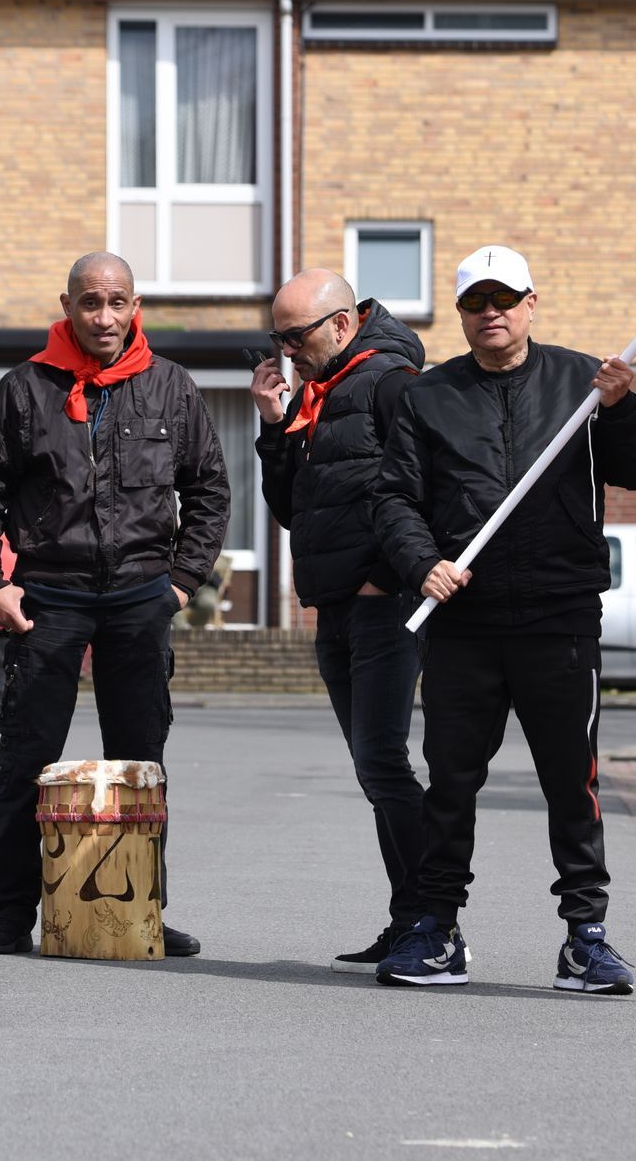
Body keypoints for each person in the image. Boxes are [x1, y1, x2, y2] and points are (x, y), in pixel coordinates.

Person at [372, 244, 636, 994]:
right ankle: (437, 931)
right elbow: (395, 498)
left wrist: (623, 406)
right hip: (465, 622)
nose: (491, 312)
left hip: (560, 618)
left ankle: (586, 938)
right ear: (463, 313)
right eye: (476, 302)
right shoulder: (426, 396)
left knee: (573, 782)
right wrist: (420, 563)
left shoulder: (582, 382)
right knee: (451, 783)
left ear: (533, 303)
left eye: (506, 298)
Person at [0, 252, 229, 958]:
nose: (103, 317)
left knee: (141, 763)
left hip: (142, 593)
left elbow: (208, 492)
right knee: (27, 757)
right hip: (48, 593)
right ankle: (9, 914)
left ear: (135, 305)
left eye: (116, 303)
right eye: (89, 303)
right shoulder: (25, 389)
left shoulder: (172, 387)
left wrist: (179, 582)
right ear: (67, 305)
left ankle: (143, 911)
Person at [253, 269, 427, 972]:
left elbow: (427, 488)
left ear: (343, 324)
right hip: (336, 609)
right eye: (279, 337)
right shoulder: (319, 396)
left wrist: (385, 577)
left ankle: (430, 919)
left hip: (382, 608)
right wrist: (274, 429)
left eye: (296, 336)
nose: (287, 350)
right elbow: (296, 510)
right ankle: (410, 914)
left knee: (383, 762)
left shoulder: (391, 383)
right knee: (373, 768)